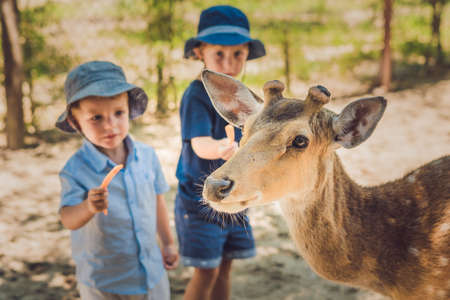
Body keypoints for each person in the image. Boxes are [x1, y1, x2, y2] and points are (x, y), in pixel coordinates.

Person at [55, 61, 179, 300]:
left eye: (118, 113)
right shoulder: (75, 170)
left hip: (151, 272)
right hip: (105, 281)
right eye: (96, 118)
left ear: (129, 109)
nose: (110, 125)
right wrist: (88, 207)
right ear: (74, 121)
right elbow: (68, 218)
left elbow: (157, 202)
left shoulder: (147, 155)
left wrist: (168, 243)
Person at [175, 5, 266, 300]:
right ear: (200, 52)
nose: (228, 63)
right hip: (200, 200)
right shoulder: (196, 94)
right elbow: (198, 143)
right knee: (207, 272)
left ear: (247, 53)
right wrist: (222, 148)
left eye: (237, 54)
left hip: (233, 194)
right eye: (219, 54)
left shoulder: (243, 95)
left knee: (225, 267)